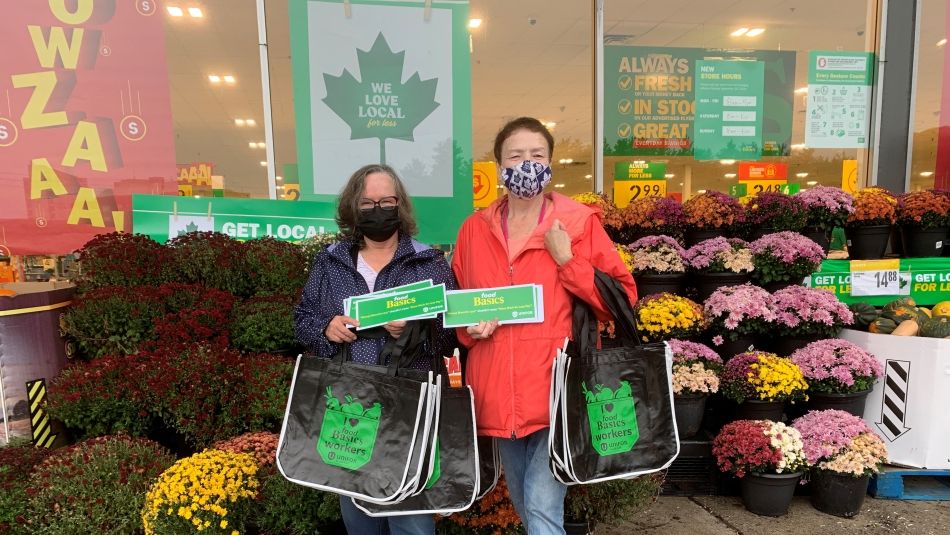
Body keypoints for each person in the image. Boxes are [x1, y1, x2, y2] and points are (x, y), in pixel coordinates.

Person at [451, 117, 638, 535]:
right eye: (515, 156)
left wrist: (567, 259)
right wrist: (470, 330)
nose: (527, 164)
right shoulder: (472, 230)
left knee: (539, 502)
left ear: (552, 163)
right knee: (525, 501)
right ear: (498, 166)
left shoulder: (577, 223)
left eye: (537, 155)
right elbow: (460, 309)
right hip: (498, 389)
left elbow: (622, 299)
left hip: (559, 388)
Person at [294, 163, 458, 535]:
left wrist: (415, 329)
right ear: (354, 208)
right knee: (360, 522)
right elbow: (302, 320)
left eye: (387, 201)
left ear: (400, 206)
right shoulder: (330, 261)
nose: (378, 210)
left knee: (413, 525)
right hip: (350, 410)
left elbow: (451, 338)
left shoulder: (428, 263)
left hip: (410, 414)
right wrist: (327, 327)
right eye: (367, 203)